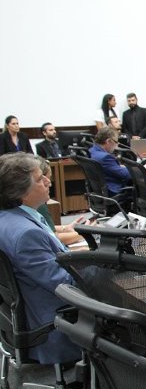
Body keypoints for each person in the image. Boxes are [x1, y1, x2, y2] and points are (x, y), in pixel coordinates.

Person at [0, 153, 79, 364]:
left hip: (25, 313)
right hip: (54, 325)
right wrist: (104, 266)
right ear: (20, 192)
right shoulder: (26, 234)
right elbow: (67, 285)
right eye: (39, 179)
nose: (47, 180)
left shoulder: (10, 219)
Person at [36, 157, 87, 246]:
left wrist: (65, 228)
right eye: (48, 178)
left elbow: (41, 227)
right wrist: (86, 232)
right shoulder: (37, 202)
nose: (50, 183)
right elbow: (54, 238)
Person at [90, 127, 136, 196]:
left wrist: (120, 167)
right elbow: (125, 175)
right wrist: (143, 170)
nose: (117, 145)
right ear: (108, 141)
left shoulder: (92, 151)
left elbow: (110, 168)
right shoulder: (105, 157)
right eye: (116, 142)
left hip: (100, 192)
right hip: (114, 191)